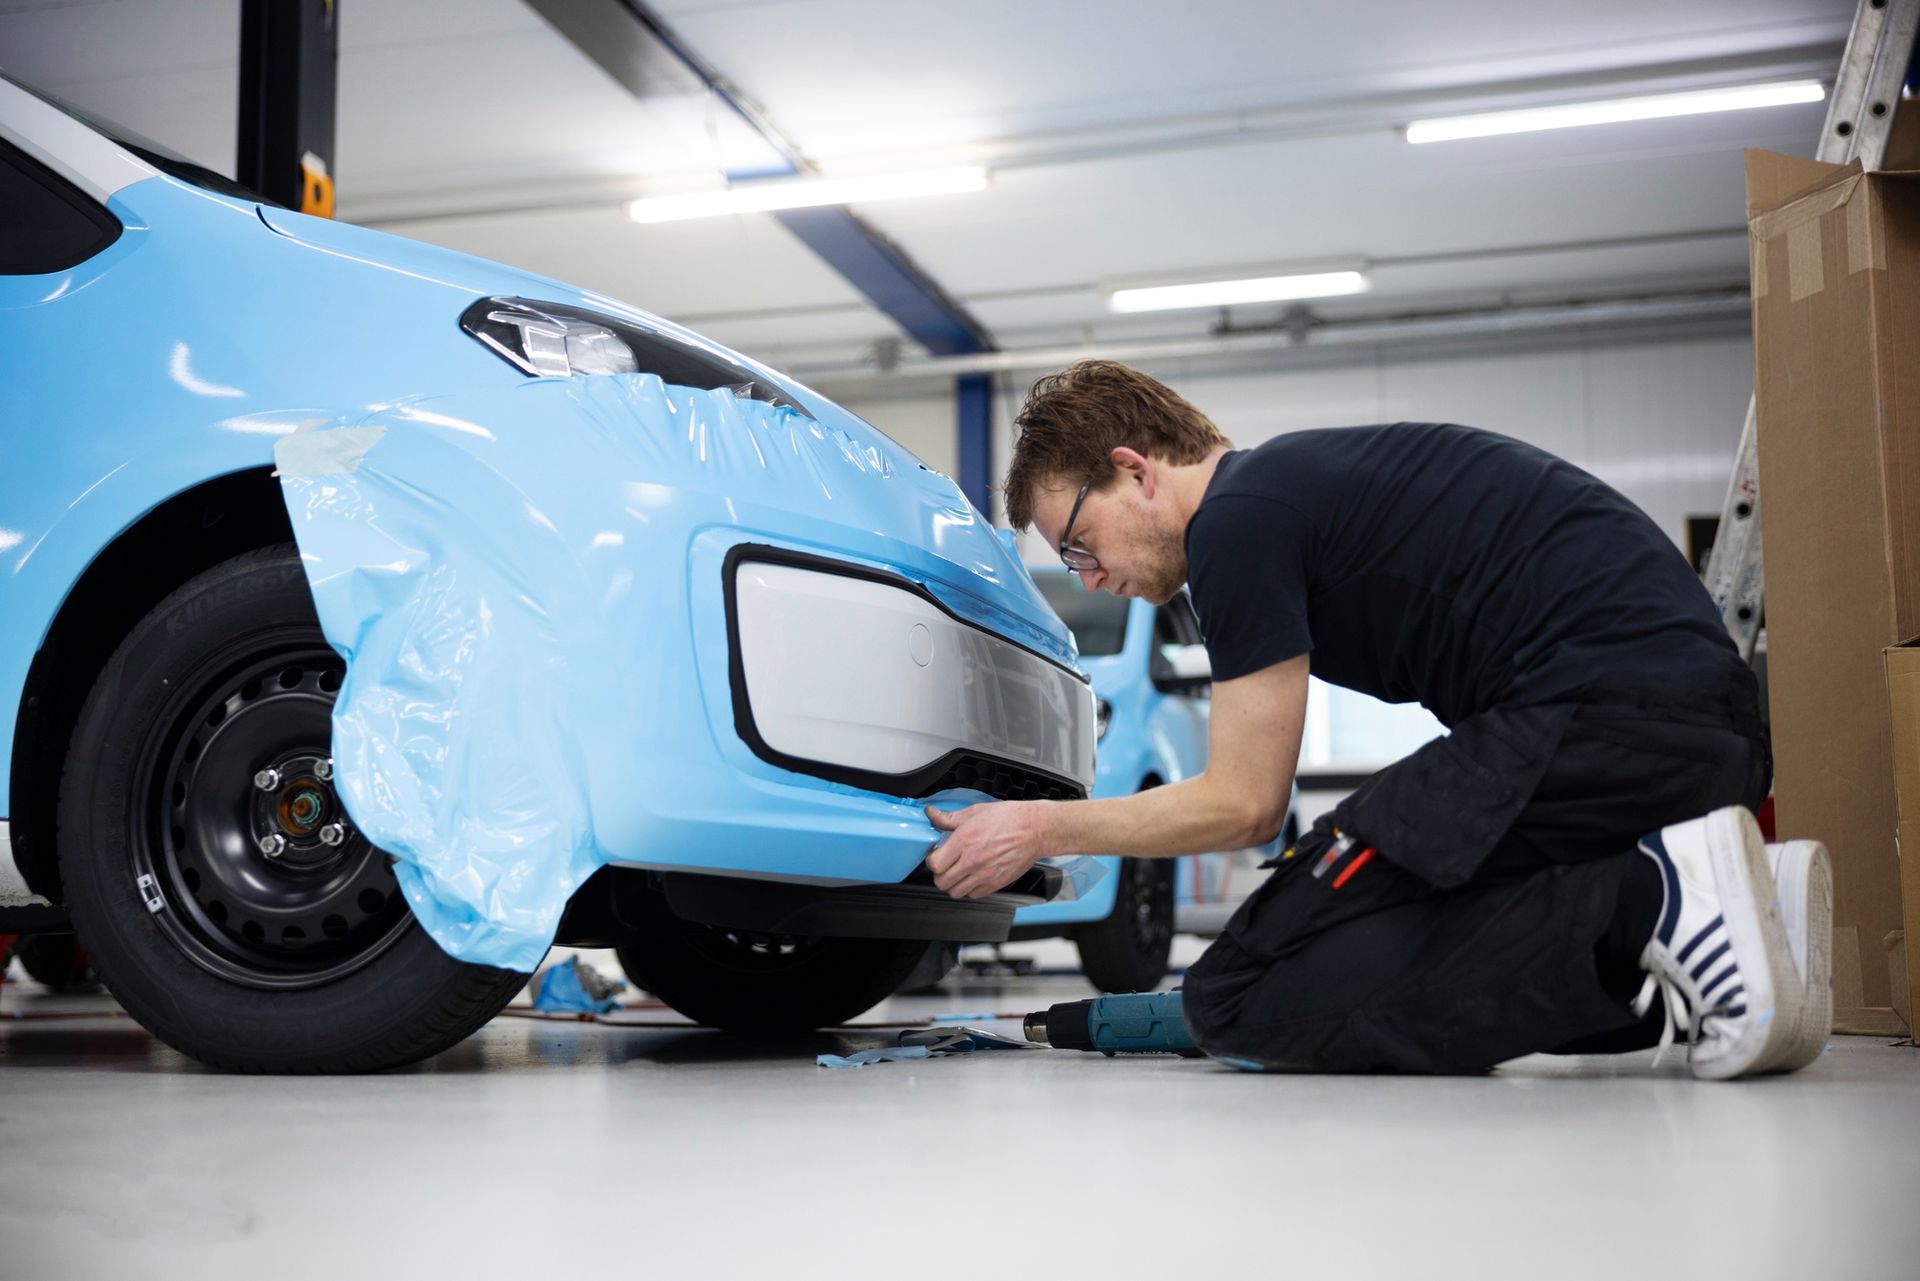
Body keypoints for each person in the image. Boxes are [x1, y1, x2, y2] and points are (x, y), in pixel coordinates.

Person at [926, 360, 1830, 1078]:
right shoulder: (1296, 488)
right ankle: (1738, 918)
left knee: (1240, 988)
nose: (1085, 576)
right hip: (1696, 741)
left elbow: (1244, 804)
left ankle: (1648, 905)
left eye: (1079, 543)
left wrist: (1040, 825)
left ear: (1135, 470)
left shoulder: (1236, 522)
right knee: (1388, 940)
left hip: (1603, 717)